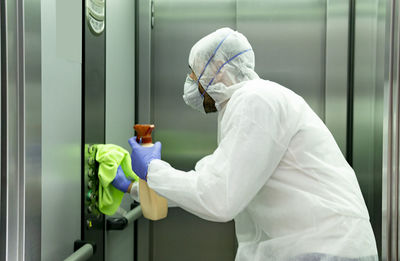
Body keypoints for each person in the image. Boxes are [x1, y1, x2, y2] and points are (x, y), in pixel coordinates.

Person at [112, 27, 378, 261]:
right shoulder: (247, 103)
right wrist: (136, 187)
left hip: (326, 247)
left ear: (215, 70)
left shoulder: (256, 101)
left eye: (194, 75)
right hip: (315, 246)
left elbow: (218, 198)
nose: (191, 84)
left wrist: (153, 169)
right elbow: (209, 180)